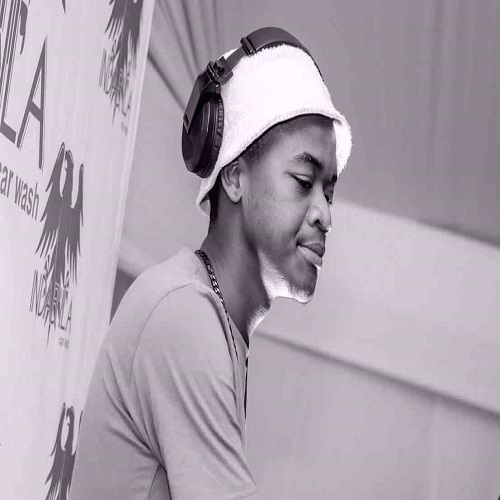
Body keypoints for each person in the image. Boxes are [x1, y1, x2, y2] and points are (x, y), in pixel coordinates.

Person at [69, 27, 351, 500]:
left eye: (330, 192)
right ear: (235, 178)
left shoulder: (213, 320)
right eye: (304, 182)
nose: (324, 213)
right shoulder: (184, 313)